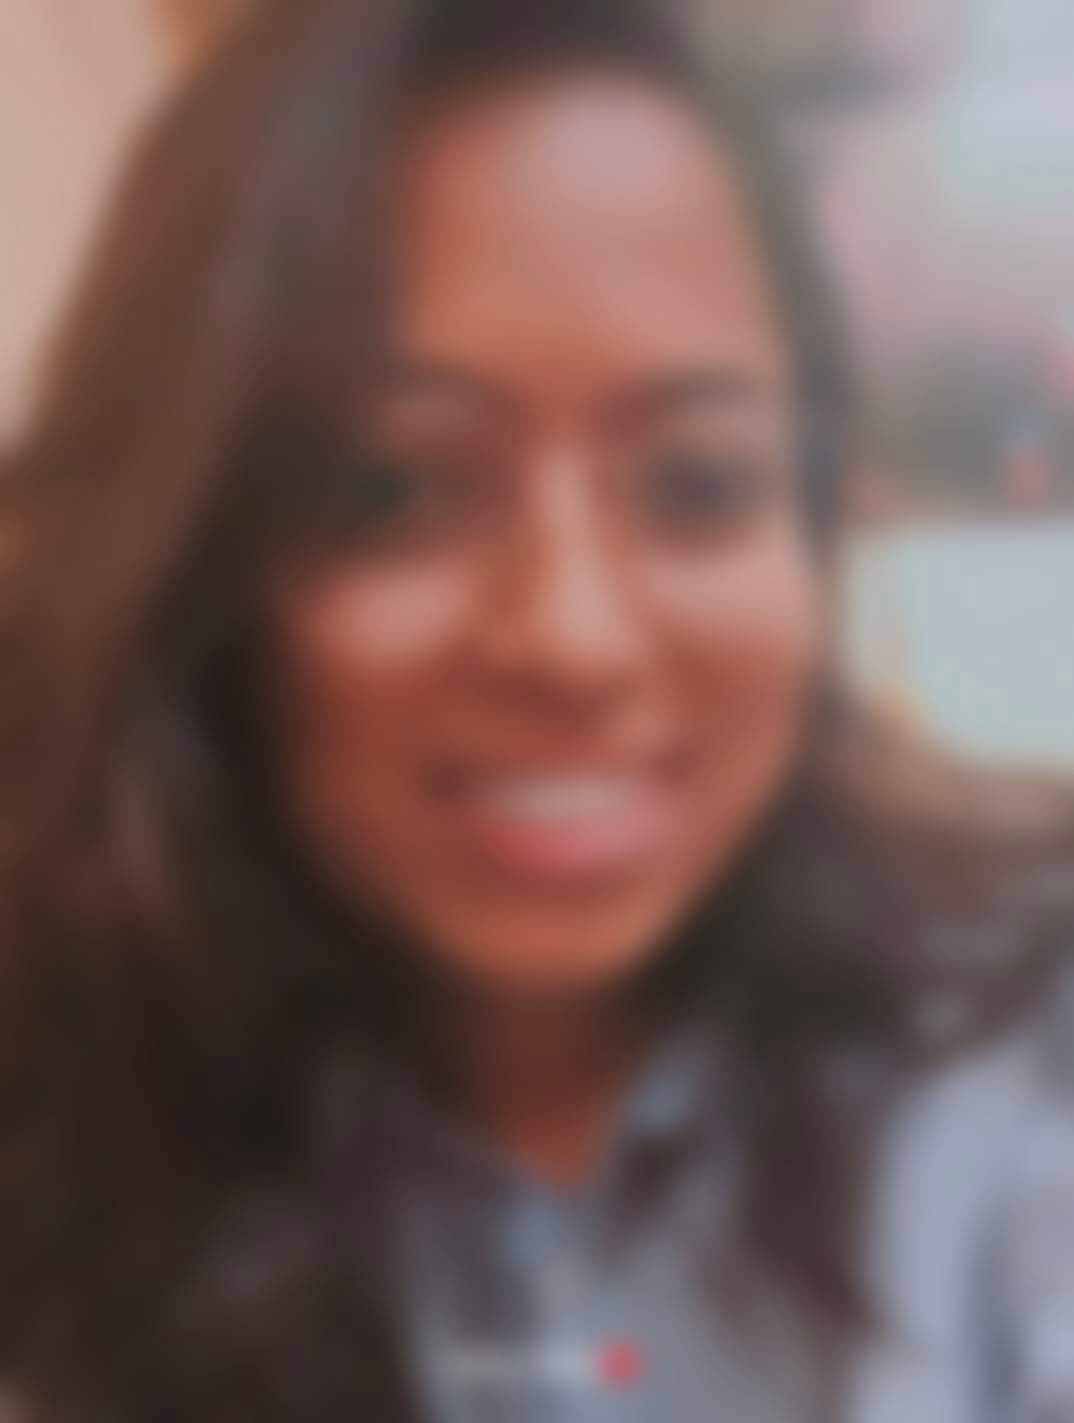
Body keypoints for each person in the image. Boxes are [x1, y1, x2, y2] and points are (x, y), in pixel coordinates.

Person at [1, 2, 1073, 1419]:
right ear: (198, 559)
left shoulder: (1012, 1044)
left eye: (697, 483)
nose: (574, 638)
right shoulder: (67, 1125)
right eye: (392, 491)